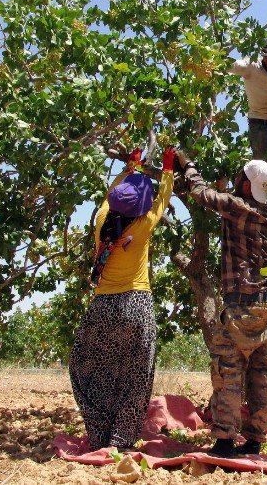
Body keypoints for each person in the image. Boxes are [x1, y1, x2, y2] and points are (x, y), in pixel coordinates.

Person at [175, 150, 267, 458]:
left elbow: (200, 192)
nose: (235, 180)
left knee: (228, 373)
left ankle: (224, 442)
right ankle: (255, 440)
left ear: (246, 186)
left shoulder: (237, 207)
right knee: (263, 376)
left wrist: (187, 165)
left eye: (239, 178)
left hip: (240, 307)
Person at [69, 146, 175, 452]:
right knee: (136, 376)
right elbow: (163, 199)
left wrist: (132, 165)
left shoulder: (102, 219)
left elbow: (111, 191)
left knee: (92, 369)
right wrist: (167, 168)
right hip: (136, 306)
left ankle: (99, 435)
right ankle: (122, 439)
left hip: (102, 307)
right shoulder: (143, 226)